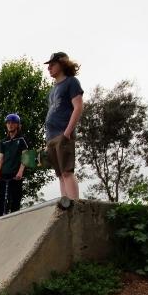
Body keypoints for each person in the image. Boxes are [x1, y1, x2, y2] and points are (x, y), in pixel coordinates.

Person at [43, 52, 83, 199]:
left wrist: (67, 133)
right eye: (49, 66)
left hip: (63, 133)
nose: (49, 68)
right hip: (51, 137)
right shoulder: (53, 90)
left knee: (67, 172)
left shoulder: (71, 82)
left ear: (62, 64)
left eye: (52, 65)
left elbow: (78, 107)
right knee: (60, 174)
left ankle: (74, 206)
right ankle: (65, 206)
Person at [0, 113, 29, 217]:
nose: (10, 125)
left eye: (13, 123)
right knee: (0, 199)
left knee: (15, 199)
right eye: (8, 123)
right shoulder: (3, 142)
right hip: (4, 173)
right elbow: (1, 158)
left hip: (15, 174)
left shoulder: (22, 139)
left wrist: (20, 172)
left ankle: (14, 219)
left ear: (17, 125)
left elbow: (26, 156)